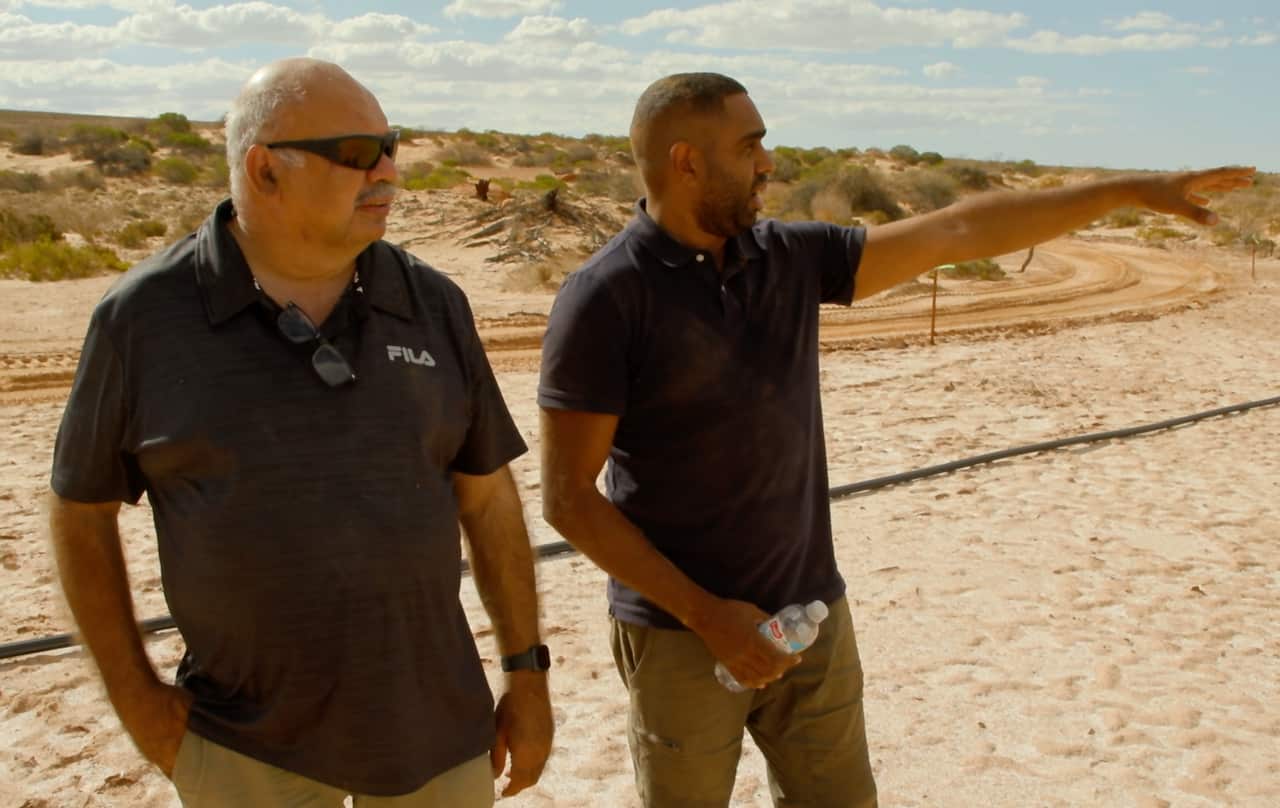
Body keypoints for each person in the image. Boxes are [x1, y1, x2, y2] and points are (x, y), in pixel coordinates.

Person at [537, 71, 1254, 808]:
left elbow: (957, 230)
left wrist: (1129, 191)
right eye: (749, 146)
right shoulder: (605, 297)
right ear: (687, 161)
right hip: (681, 635)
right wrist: (707, 616)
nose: (768, 164)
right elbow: (566, 499)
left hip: (810, 620)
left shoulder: (787, 257)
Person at [47, 58, 553, 807]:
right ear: (265, 171)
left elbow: (488, 498)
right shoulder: (143, 318)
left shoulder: (433, 303)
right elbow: (79, 513)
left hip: (438, 735)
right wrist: (138, 702)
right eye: (357, 153)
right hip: (242, 747)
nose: (388, 173)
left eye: (391, 146)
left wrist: (527, 674)